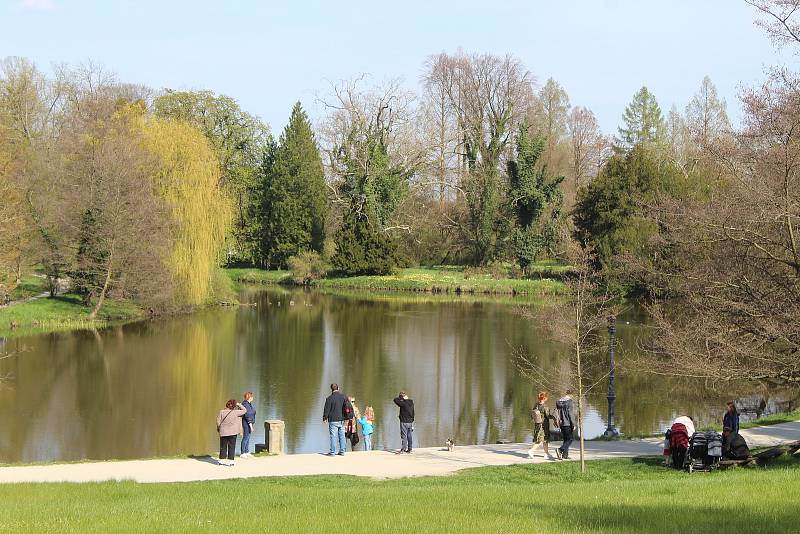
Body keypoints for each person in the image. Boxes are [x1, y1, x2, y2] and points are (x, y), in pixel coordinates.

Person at [216, 399, 247, 466]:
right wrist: (239, 404)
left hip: (224, 432)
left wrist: (220, 427)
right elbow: (245, 410)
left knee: (223, 446)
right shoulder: (236, 412)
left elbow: (218, 421)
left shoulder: (221, 412)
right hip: (233, 432)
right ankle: (231, 462)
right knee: (232, 446)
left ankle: (221, 460)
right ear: (234, 406)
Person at [528, 391, 556, 460]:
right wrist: (554, 417)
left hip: (537, 424)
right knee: (540, 440)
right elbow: (547, 416)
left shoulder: (536, 405)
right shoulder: (545, 407)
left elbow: (532, 414)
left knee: (545, 440)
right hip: (544, 426)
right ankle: (531, 451)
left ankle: (546, 453)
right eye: (546, 397)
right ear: (545, 398)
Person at [322, 383, 348, 456]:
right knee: (342, 435)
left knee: (333, 436)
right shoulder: (343, 397)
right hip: (342, 419)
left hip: (333, 420)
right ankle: (342, 451)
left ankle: (333, 452)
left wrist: (325, 418)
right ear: (338, 388)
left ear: (331, 389)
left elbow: (326, 409)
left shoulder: (329, 398)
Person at [554, 389, 576, 460]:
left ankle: (565, 455)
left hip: (561, 423)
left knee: (566, 439)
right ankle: (560, 450)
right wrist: (573, 424)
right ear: (571, 394)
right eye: (573, 395)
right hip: (568, 423)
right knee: (570, 439)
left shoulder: (559, 401)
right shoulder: (569, 402)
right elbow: (570, 414)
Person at [240, 391, 256, 458]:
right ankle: (242, 453)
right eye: (252, 396)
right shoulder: (246, 404)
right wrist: (250, 425)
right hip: (246, 423)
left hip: (249, 422)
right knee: (246, 437)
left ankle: (247, 451)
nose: (253, 398)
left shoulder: (248, 404)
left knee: (248, 437)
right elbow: (248, 415)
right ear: (249, 397)